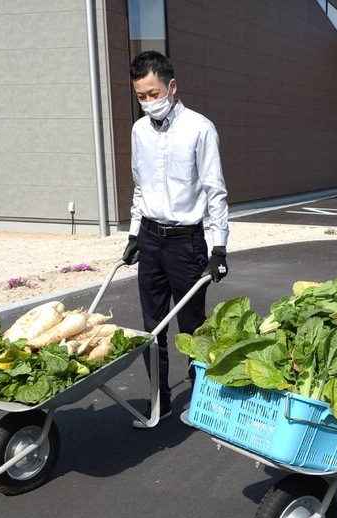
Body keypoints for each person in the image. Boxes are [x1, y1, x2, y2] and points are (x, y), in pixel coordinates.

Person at [123, 51, 229, 426]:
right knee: (151, 329)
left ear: (172, 86)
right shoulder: (139, 131)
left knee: (193, 327)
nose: (148, 102)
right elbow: (140, 187)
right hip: (151, 239)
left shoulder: (200, 128)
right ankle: (159, 401)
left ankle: (203, 403)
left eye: (154, 93)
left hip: (187, 243)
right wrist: (134, 235)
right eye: (141, 96)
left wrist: (219, 248)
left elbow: (215, 191)